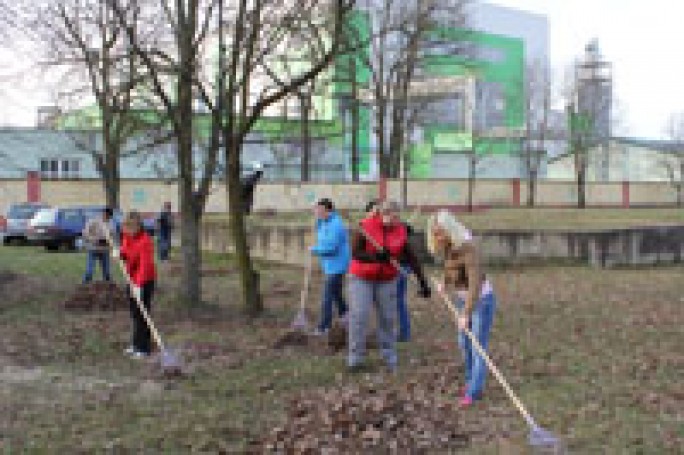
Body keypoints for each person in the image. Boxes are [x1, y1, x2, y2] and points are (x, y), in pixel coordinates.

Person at [347, 200, 431, 372]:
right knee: (359, 315)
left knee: (387, 317)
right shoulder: (365, 226)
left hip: (387, 279)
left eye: (396, 217)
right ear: (381, 214)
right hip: (361, 277)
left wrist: (423, 282)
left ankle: (388, 355)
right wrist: (376, 257)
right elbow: (355, 253)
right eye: (390, 216)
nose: (394, 221)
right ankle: (356, 358)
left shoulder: (400, 230)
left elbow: (411, 257)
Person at [427, 209, 497, 408]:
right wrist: (444, 283)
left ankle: (473, 391)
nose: (437, 237)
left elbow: (475, 285)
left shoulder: (468, 248)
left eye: (439, 233)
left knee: (478, 348)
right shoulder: (450, 245)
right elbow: (452, 269)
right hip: (461, 299)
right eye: (434, 233)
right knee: (463, 343)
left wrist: (466, 314)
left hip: (480, 302)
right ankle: (470, 383)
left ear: (450, 229)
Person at [114, 211, 157, 358]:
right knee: (134, 314)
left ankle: (144, 348)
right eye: (125, 227)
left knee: (143, 315)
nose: (127, 231)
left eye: (130, 227)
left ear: (138, 226)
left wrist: (139, 286)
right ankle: (136, 344)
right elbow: (126, 253)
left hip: (145, 280)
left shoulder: (145, 241)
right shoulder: (127, 237)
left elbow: (144, 266)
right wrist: (120, 254)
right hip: (131, 278)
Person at [310, 198, 350, 335]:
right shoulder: (324, 222)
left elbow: (331, 247)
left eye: (319, 210)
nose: (317, 212)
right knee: (336, 293)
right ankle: (346, 315)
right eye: (316, 210)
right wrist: (317, 223)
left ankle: (324, 326)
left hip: (337, 265)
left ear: (328, 210)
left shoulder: (336, 225)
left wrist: (314, 250)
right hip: (329, 265)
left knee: (327, 296)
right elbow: (321, 231)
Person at [82, 207, 113, 283]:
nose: (107, 218)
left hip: (104, 250)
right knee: (89, 271)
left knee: (107, 272)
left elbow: (111, 236)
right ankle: (85, 286)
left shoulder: (111, 224)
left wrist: (110, 242)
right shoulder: (93, 221)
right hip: (93, 249)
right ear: (103, 213)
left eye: (109, 217)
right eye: (106, 216)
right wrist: (94, 240)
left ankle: (108, 286)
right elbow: (85, 233)